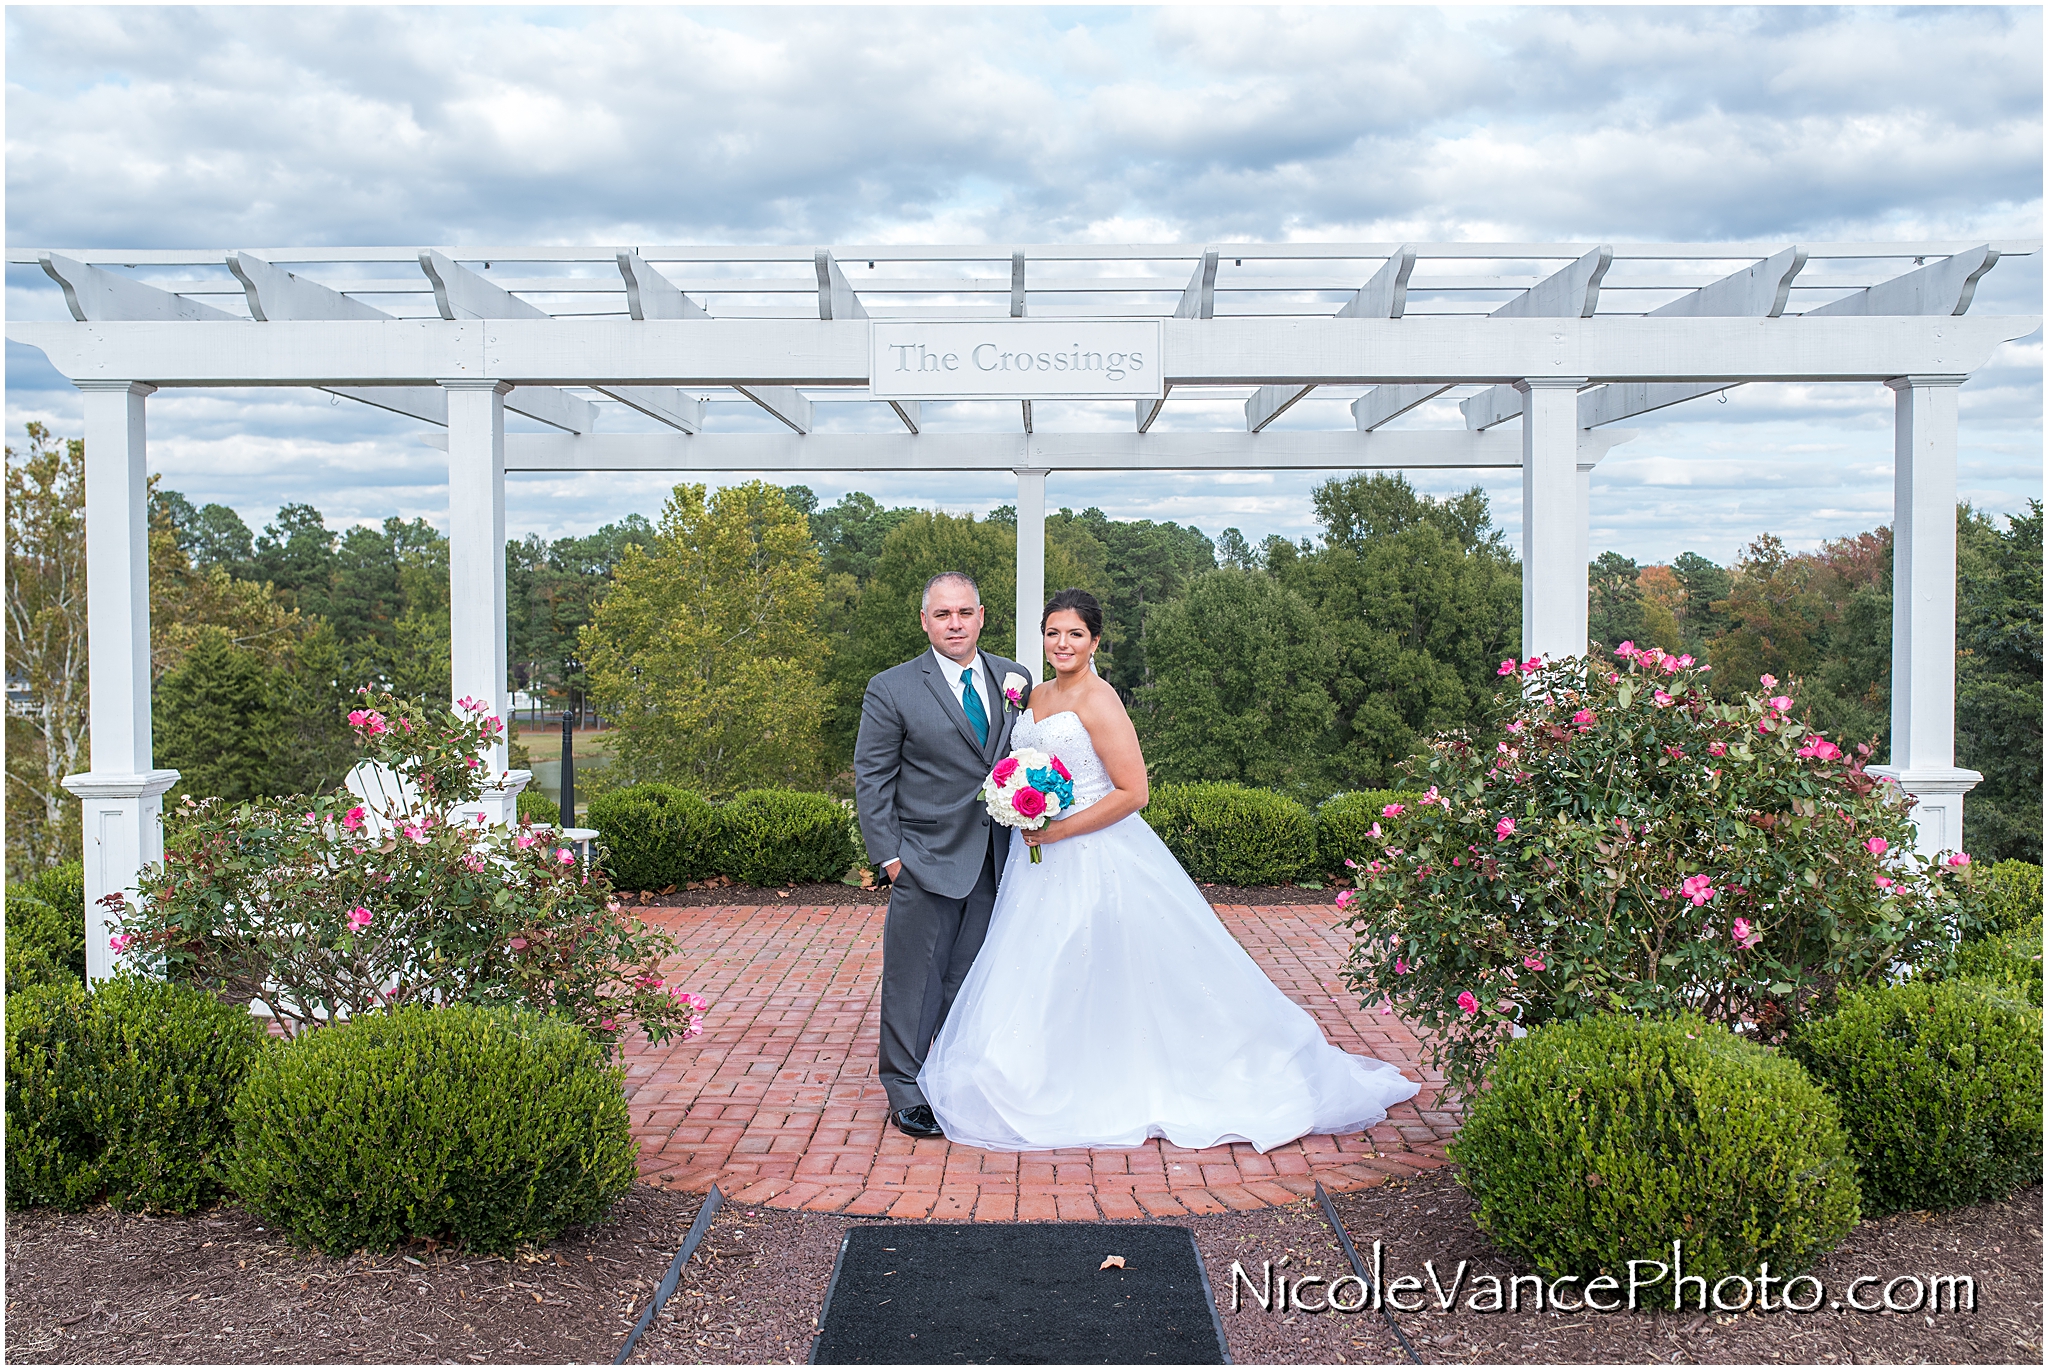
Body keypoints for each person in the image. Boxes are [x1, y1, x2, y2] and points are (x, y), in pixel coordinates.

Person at [918, 588, 1420, 1151]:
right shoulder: (1033, 695)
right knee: (1039, 962)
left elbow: (1134, 792)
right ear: (1042, 637)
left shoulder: (1100, 699)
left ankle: (1111, 1080)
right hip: (1036, 861)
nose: (1063, 643)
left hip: (1092, 855)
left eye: (1075, 634)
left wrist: (1057, 828)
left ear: (1095, 641)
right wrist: (1019, 802)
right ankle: (1031, 1073)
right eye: (1054, 632)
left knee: (1081, 955)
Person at [853, 571, 1035, 1139]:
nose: (954, 624)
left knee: (975, 976)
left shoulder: (1015, 678)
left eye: (964, 613)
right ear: (925, 622)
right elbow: (873, 778)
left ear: (982, 616)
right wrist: (890, 858)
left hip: (999, 856)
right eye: (942, 615)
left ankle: (957, 1078)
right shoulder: (892, 688)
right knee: (916, 979)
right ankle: (904, 1088)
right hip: (925, 857)